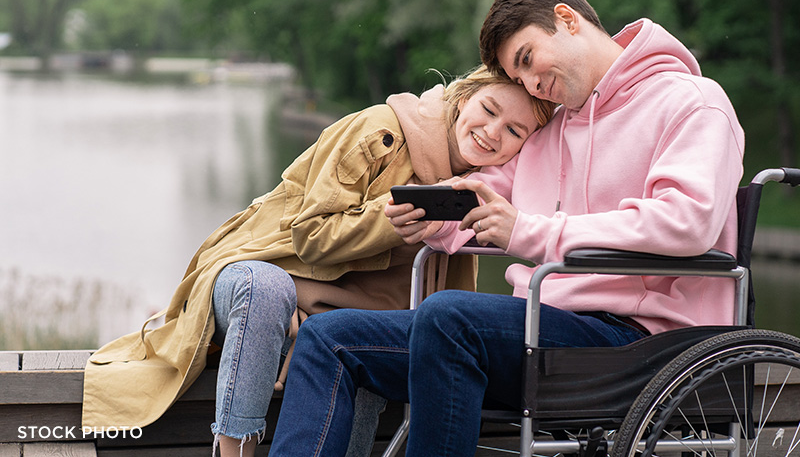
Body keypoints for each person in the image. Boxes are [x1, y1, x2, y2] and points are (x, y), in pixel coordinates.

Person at [268, 0, 746, 456]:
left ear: (566, 19)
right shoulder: (552, 129)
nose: (534, 84)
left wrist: (532, 232)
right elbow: (481, 198)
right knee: (329, 338)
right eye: (519, 79)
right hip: (542, 332)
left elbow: (687, 219)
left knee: (450, 315)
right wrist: (430, 215)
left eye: (527, 59)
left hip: (641, 343)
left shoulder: (693, 102)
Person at [80, 64, 554, 457]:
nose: (493, 132)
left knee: (358, 337)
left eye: (514, 130)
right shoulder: (380, 130)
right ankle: (232, 451)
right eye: (488, 110)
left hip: (340, 315)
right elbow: (308, 235)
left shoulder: (478, 191)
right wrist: (388, 221)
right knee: (268, 292)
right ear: (463, 97)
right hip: (263, 270)